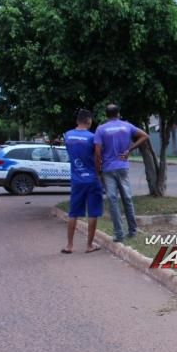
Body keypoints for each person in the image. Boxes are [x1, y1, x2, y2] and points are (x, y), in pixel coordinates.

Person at [94, 104, 149, 243]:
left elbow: (98, 152)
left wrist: (98, 171)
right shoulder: (127, 126)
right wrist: (129, 149)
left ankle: (119, 234)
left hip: (107, 169)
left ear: (106, 115)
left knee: (113, 201)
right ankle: (133, 230)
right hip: (123, 166)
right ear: (118, 113)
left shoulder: (101, 129)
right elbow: (144, 136)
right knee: (127, 199)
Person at [62, 109, 104, 254]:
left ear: (77, 121)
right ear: (89, 121)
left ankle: (69, 245)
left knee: (73, 213)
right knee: (93, 213)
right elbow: (98, 157)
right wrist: (99, 173)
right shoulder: (93, 137)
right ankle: (89, 245)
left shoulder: (67, 135)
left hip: (76, 179)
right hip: (92, 178)